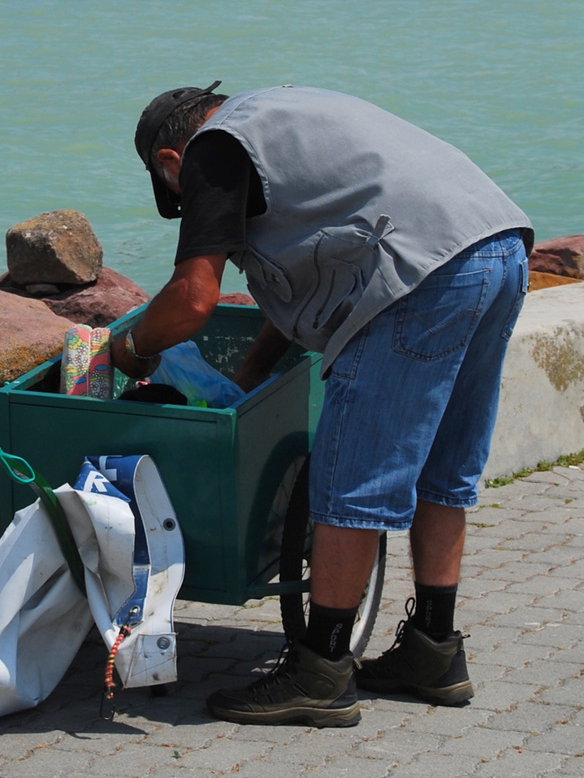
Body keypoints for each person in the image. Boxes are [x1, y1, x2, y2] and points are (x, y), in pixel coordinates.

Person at [111, 83, 531, 728]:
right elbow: (319, 259)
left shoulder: (213, 151)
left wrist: (131, 351)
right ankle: (434, 652)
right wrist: (253, 368)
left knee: (352, 481)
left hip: (421, 274)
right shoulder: (281, 116)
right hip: (496, 247)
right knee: (443, 470)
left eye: (172, 187)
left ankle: (322, 670)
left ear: (171, 160)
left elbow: (194, 299)